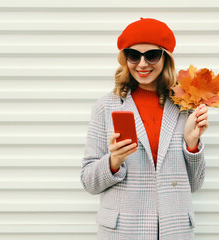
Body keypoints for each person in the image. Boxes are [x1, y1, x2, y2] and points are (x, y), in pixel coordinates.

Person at [81, 17, 209, 240]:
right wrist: (113, 162)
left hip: (174, 230)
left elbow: (195, 184)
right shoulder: (105, 106)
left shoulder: (185, 105)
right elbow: (89, 183)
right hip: (124, 231)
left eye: (151, 55)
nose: (142, 64)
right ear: (125, 59)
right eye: (133, 55)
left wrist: (192, 145)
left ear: (165, 57)